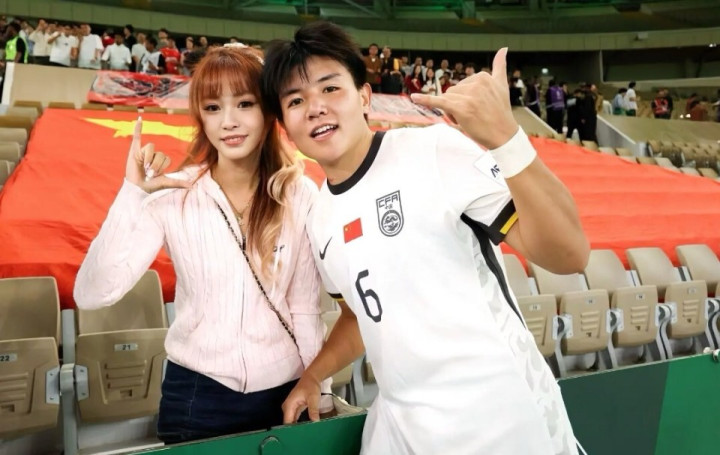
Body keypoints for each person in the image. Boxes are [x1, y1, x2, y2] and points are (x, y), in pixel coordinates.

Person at [261, 21, 588, 455]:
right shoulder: (319, 218)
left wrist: (507, 140)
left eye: (330, 88)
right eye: (296, 100)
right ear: (285, 126)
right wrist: (314, 375)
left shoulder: (433, 151)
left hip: (502, 419)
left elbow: (569, 255)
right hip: (404, 429)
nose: (316, 107)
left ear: (364, 97)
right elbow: (360, 317)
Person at [74, 46, 331, 444]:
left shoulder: (299, 194)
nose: (229, 122)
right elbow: (92, 294)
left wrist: (321, 390)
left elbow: (305, 309)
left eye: (244, 103)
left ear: (268, 110)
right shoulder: (173, 194)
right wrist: (132, 193)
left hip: (286, 390)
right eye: (213, 108)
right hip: (197, 396)